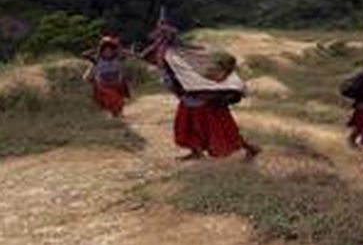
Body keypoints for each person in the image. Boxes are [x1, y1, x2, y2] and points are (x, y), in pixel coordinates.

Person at [140, 16, 260, 162]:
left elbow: (191, 75)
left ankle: (250, 148)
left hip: (203, 98)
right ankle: (196, 151)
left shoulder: (179, 55)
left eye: (159, 37)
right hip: (190, 98)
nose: (156, 40)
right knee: (187, 126)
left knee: (220, 130)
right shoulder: (169, 54)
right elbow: (148, 57)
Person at [83, 36, 131, 118]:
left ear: (113, 51)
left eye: (110, 50)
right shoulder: (97, 59)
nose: (107, 52)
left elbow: (130, 54)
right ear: (101, 51)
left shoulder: (118, 58)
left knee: (118, 99)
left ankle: (117, 111)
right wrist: (97, 49)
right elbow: (84, 54)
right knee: (109, 99)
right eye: (105, 50)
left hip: (116, 82)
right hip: (104, 83)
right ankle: (113, 111)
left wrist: (118, 49)